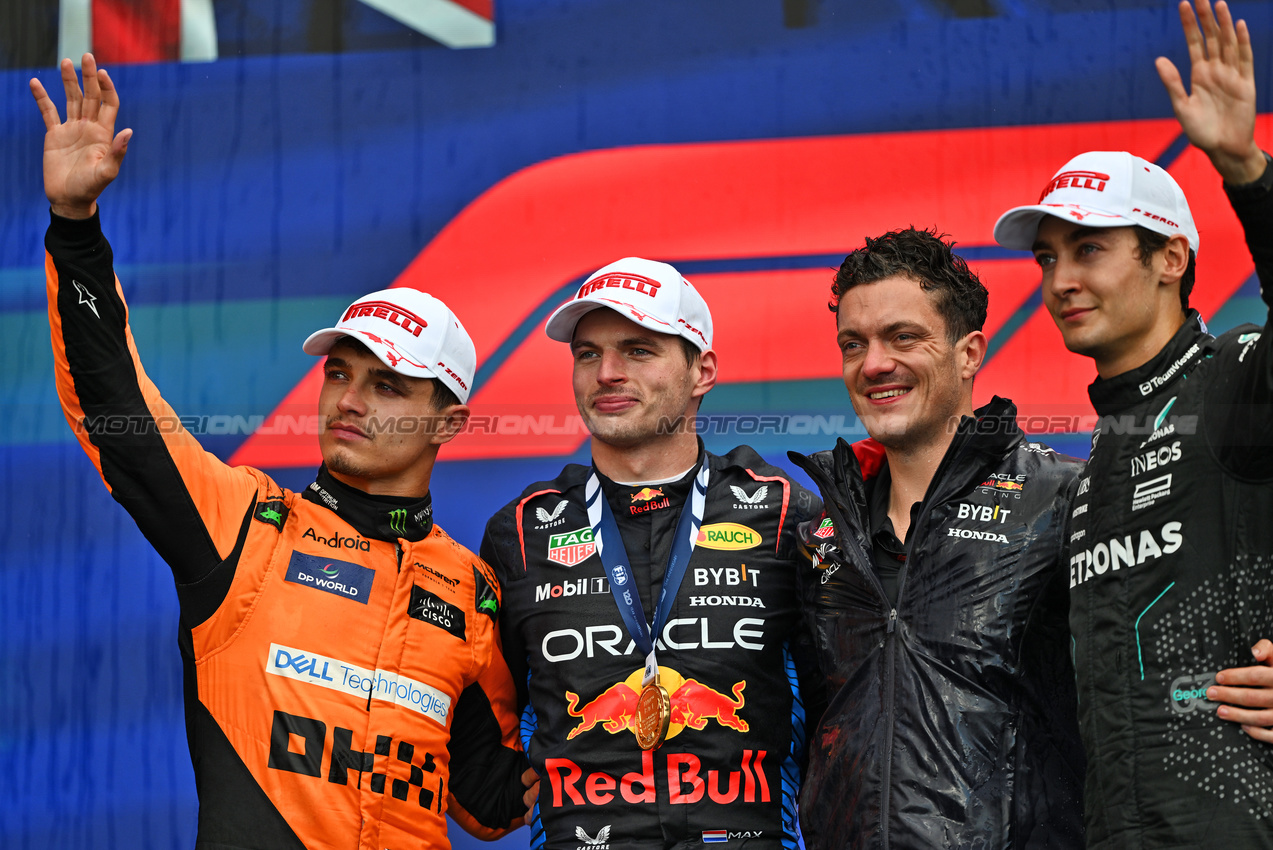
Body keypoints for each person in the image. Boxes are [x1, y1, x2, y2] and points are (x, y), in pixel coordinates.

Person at [32, 54, 532, 849]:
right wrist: (76, 232)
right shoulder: (246, 527)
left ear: (449, 421)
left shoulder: (471, 592)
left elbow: (491, 802)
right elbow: (113, 406)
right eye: (340, 373)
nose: (351, 400)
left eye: (390, 386)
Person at [993, 1, 1273, 845]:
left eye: (1088, 250)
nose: (1060, 280)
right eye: (1047, 257)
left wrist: (1244, 169)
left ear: (1170, 260)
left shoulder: (1234, 382)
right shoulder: (1086, 474)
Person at [479, 258, 822, 848]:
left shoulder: (786, 512)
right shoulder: (521, 529)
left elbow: (842, 707)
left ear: (702, 370)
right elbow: (485, 720)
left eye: (637, 350)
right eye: (587, 354)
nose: (606, 373)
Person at [785, 228, 1086, 849]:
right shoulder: (820, 528)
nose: (874, 364)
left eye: (903, 337)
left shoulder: (1063, 498)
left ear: (970, 351)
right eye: (853, 344)